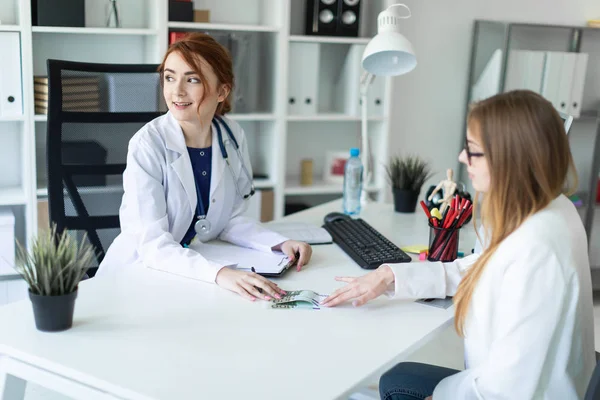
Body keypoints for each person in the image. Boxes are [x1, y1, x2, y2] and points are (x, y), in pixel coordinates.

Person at [321, 90, 595, 399]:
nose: (463, 158)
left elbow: (510, 387)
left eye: (474, 151)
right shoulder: (543, 208)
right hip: (498, 384)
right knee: (395, 378)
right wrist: (390, 276)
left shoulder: (538, 246)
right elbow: (480, 267)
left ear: (511, 158)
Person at [97, 33, 312, 302]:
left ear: (222, 91)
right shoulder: (147, 144)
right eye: (170, 77)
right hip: (141, 276)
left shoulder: (232, 136)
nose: (177, 91)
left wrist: (279, 243)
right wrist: (221, 274)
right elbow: (153, 245)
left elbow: (229, 220)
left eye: (193, 79)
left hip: (194, 271)